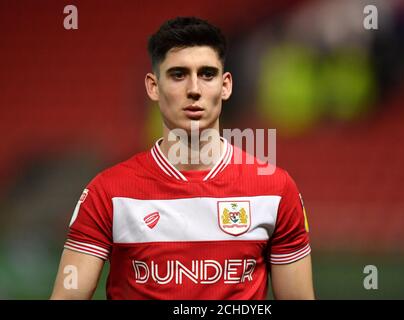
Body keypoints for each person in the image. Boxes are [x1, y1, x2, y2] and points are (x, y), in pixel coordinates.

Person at [50, 16, 314, 300]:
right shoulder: (107, 193)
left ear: (226, 86)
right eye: (178, 74)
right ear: (153, 87)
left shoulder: (276, 190)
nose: (194, 89)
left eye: (207, 74)